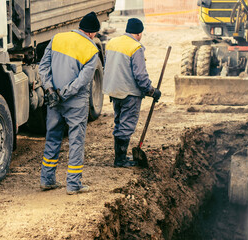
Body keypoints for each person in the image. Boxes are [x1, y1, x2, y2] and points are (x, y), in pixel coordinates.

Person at [38, 12, 100, 194]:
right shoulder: (91, 49)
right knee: (76, 141)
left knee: (52, 138)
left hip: (54, 99)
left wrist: (51, 90)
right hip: (75, 101)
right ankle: (73, 185)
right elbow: (83, 80)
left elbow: (43, 67)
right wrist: (64, 93)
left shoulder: (57, 38)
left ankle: (47, 180)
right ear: (91, 33)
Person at [103, 18, 161, 168]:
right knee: (126, 124)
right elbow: (140, 76)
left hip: (114, 91)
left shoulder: (112, 42)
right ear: (139, 33)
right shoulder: (136, 47)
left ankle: (119, 156)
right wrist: (152, 91)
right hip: (129, 92)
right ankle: (120, 160)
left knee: (119, 121)